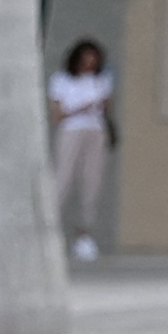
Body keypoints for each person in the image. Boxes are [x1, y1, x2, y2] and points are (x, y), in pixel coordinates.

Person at [44, 38, 115, 261]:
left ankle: (84, 233)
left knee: (91, 182)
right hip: (71, 130)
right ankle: (49, 230)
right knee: (62, 178)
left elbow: (106, 108)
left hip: (95, 131)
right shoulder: (61, 80)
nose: (89, 63)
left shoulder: (101, 80)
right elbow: (57, 114)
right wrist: (80, 109)